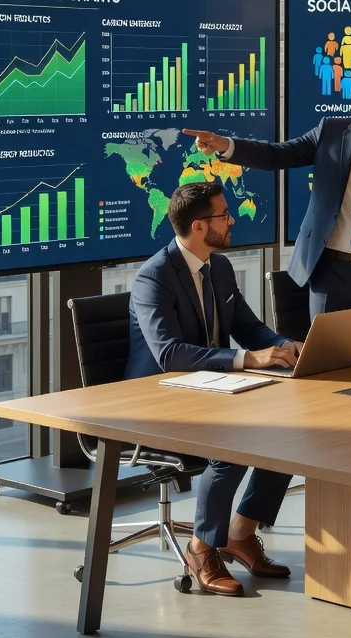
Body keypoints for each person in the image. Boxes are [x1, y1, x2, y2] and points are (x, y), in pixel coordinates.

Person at [125, 181, 301, 597]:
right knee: (231, 447)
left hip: (211, 387)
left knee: (291, 430)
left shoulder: (218, 267)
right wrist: (248, 359)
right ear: (201, 227)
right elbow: (169, 354)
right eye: (224, 215)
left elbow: (248, 327)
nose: (232, 220)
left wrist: (281, 346)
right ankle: (201, 547)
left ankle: (240, 533)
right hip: (158, 398)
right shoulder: (154, 276)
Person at [185, 65, 351, 333]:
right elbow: (275, 155)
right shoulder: (330, 132)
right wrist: (226, 145)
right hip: (329, 272)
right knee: (329, 361)